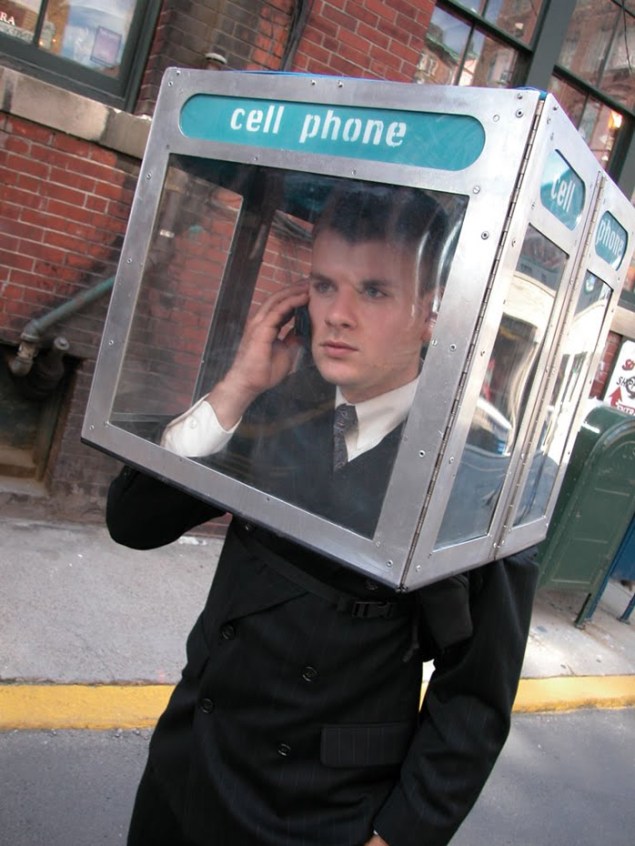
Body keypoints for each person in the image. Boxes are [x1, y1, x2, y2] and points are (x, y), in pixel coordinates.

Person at [106, 183, 538, 846]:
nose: (337, 315)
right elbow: (133, 522)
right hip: (191, 764)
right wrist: (237, 387)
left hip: (319, 807)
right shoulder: (277, 402)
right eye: (323, 285)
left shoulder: (469, 470)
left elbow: (475, 694)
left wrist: (397, 835)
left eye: (373, 291)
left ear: (432, 313)